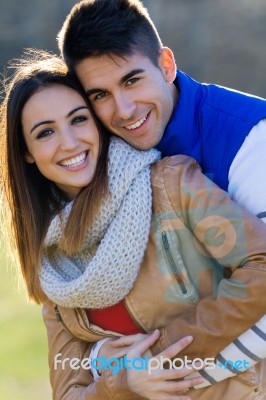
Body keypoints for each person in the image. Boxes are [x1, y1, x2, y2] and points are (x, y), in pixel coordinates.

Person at [1, 50, 266, 400]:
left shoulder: (172, 183)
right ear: (26, 152)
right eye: (46, 132)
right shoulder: (52, 260)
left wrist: (152, 362)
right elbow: (68, 389)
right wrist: (120, 382)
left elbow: (261, 266)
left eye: (79, 120)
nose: (70, 142)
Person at [58, 0, 266, 225]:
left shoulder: (251, 137)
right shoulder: (92, 150)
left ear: (166, 66)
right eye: (100, 95)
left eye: (132, 81)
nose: (124, 111)